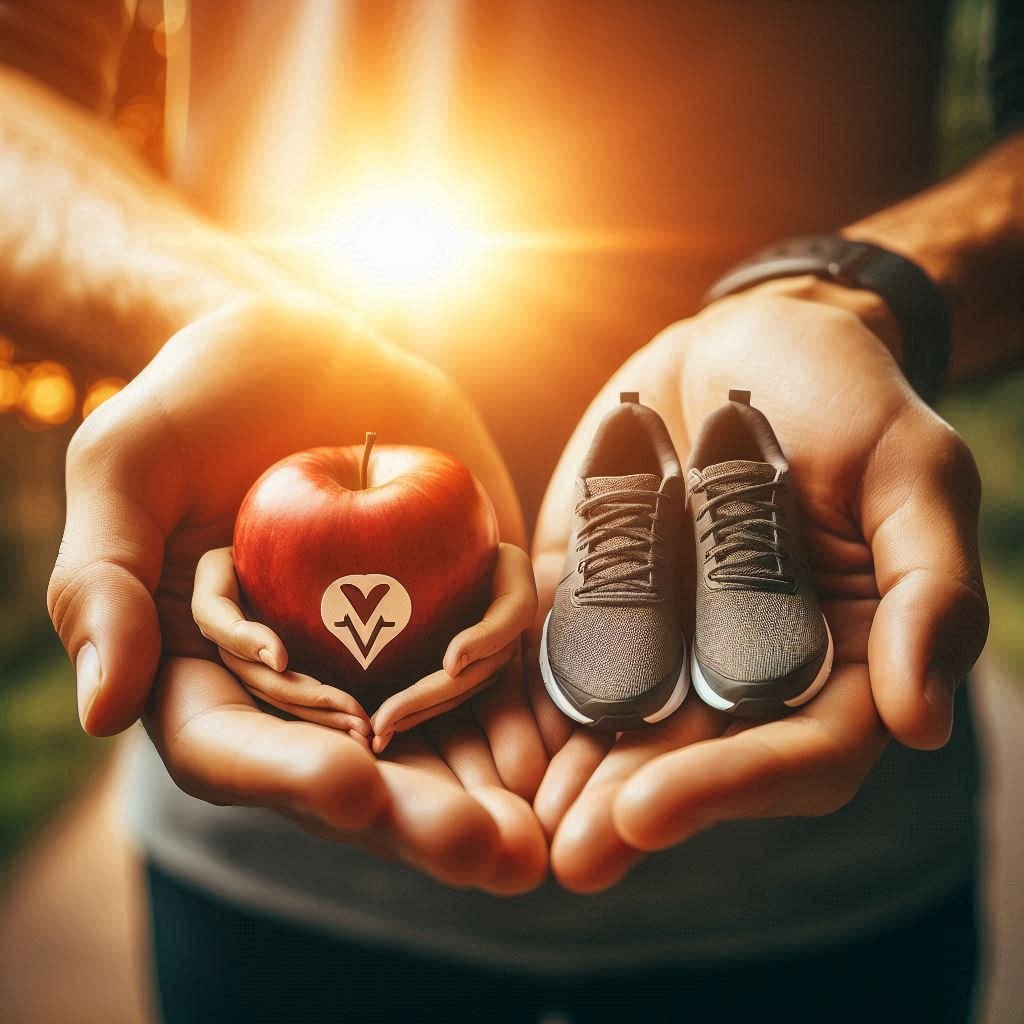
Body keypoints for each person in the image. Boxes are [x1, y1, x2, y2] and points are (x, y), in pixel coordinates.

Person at [2, 0, 1020, 1020]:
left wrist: (862, 299)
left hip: (837, 885)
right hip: (268, 867)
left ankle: (731, 494)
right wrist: (211, 312)